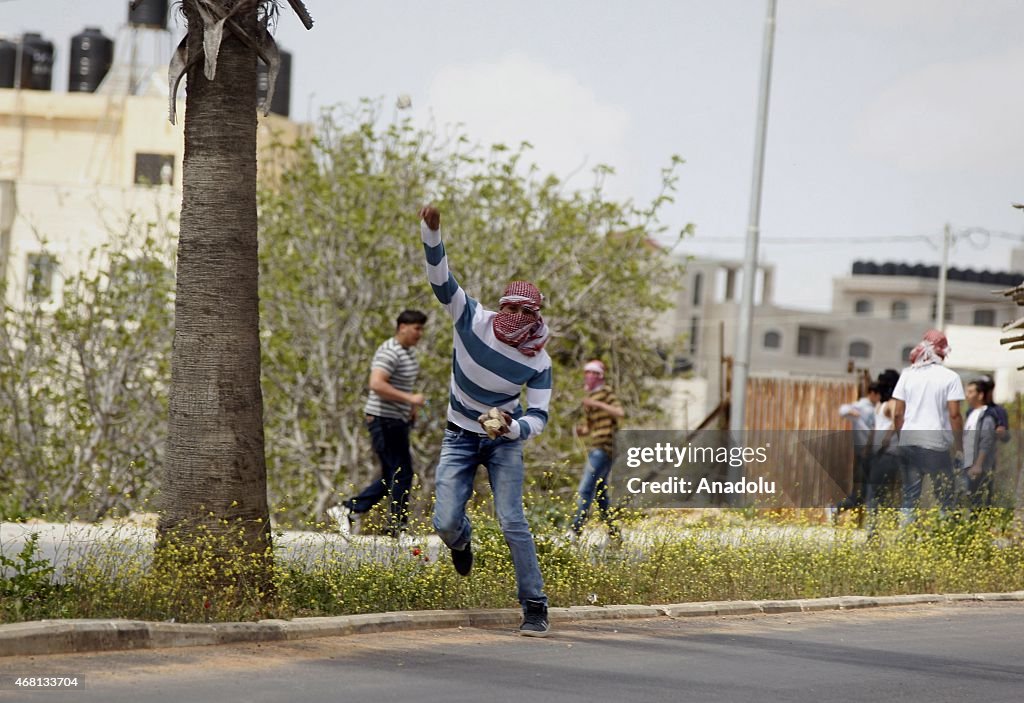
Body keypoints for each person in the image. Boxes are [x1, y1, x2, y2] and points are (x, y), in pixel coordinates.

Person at [418, 204, 553, 638]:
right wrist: (431, 230)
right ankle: (461, 541)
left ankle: (535, 607)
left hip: (503, 443)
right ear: (500, 306)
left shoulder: (540, 359)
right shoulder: (471, 319)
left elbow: (540, 414)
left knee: (513, 520)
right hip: (458, 434)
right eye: (510, 308)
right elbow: (441, 278)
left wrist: (514, 429)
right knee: (444, 522)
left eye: (526, 313)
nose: (516, 319)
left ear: (536, 317)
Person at [329, 310, 427, 538]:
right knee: (402, 473)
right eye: (416, 328)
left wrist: (410, 408)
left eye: (422, 329)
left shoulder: (408, 353)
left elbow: (400, 386)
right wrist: (410, 399)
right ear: (402, 327)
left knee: (391, 475)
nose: (420, 334)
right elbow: (376, 384)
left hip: (398, 420)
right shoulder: (389, 351)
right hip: (384, 420)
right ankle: (396, 526)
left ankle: (348, 508)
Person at [891, 329, 965, 523]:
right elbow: (955, 415)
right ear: (942, 352)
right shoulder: (951, 377)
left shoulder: (907, 375)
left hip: (909, 443)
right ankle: (944, 540)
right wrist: (959, 448)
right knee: (945, 499)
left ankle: (904, 543)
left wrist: (902, 440)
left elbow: (898, 413)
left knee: (909, 499)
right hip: (936, 445)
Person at [570, 360, 625, 540]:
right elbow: (590, 427)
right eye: (587, 372)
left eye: (592, 373)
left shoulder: (605, 393)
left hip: (605, 448)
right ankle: (614, 532)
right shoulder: (590, 398)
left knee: (586, 488)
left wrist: (598, 404)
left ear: (598, 376)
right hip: (597, 446)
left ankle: (576, 529)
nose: (588, 376)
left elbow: (619, 412)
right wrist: (580, 431)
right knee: (601, 494)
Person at [833, 382, 878, 518]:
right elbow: (843, 410)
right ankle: (837, 508)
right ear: (872, 393)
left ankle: (837, 508)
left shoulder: (875, 408)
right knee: (866, 490)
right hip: (864, 452)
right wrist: (852, 412)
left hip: (870, 453)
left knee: (865, 491)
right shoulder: (862, 406)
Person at [961, 377, 999, 510]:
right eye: (967, 392)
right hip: (967, 464)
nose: (967, 395)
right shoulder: (971, 414)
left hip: (977, 467)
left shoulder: (986, 416)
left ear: (980, 395)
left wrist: (978, 464)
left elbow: (986, 441)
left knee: (977, 502)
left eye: (971, 392)